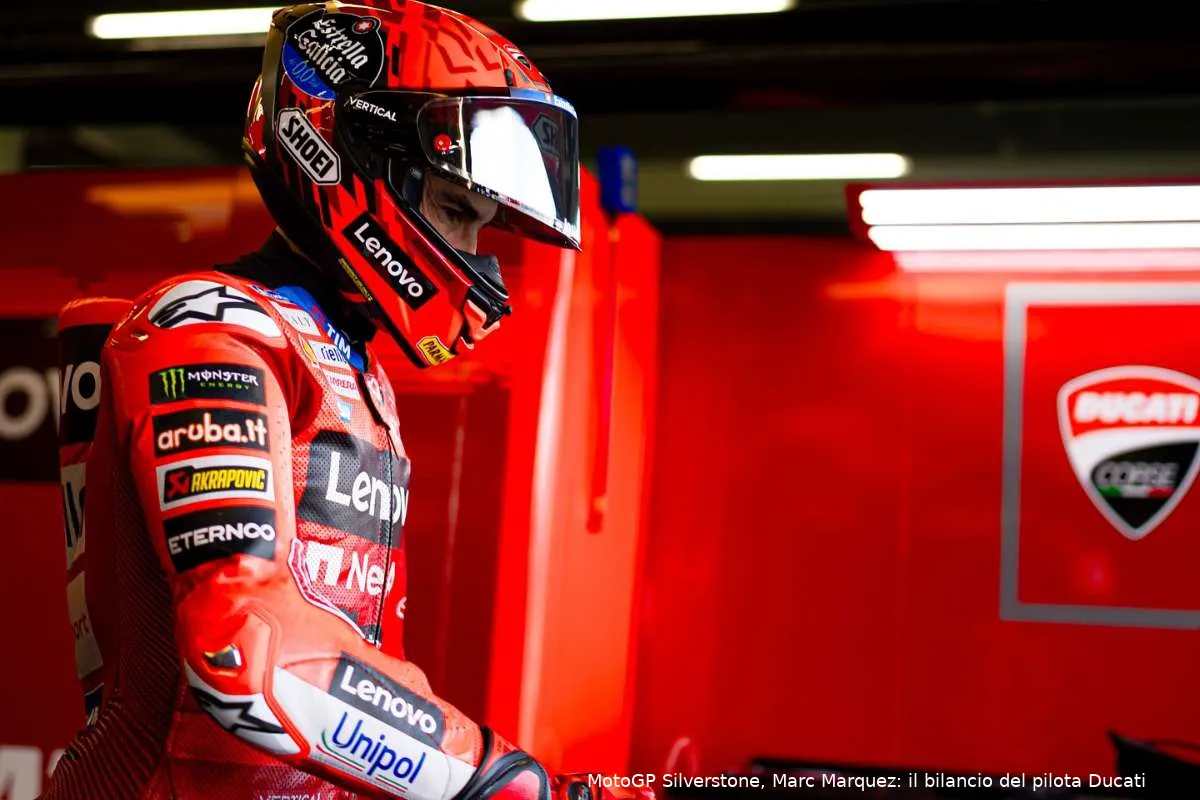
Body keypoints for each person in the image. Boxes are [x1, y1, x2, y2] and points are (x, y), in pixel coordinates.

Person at [42, 2, 649, 799]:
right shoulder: (209, 326)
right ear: (358, 156)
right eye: (458, 212)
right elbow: (245, 650)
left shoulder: (353, 370)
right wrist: (508, 783)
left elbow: (351, 675)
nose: (475, 256)